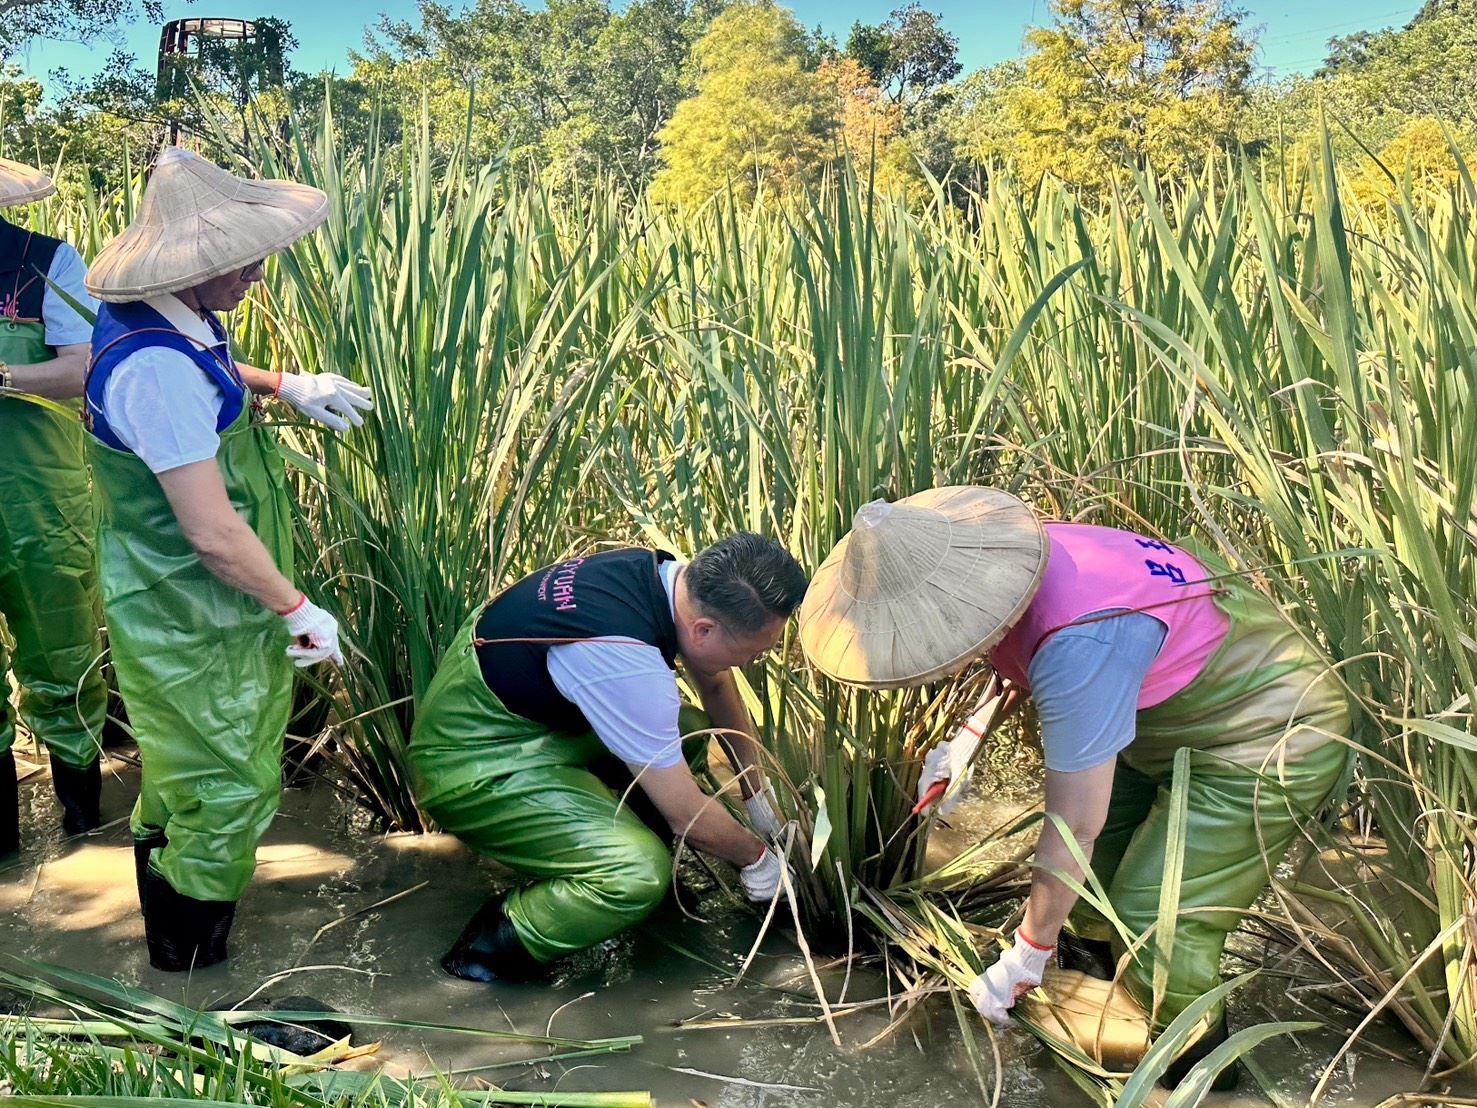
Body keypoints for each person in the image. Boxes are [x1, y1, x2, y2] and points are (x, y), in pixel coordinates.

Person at [799, 486, 1348, 1089]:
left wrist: (1026, 953)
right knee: (1090, 893)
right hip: (1158, 716)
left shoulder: (1081, 644)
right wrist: (967, 741)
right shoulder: (1011, 562)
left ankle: (1202, 1074)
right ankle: (1105, 1009)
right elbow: (1019, 646)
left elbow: (1072, 827)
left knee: (1155, 918)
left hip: (1269, 732)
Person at [82, 146, 374, 971]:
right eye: (239, 262)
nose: (255, 273)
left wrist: (282, 382)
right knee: (230, 789)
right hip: (188, 608)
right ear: (185, 266)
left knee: (184, 778)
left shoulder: (169, 319)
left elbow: (200, 368)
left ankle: (166, 970)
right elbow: (211, 532)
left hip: (191, 601)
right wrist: (297, 607)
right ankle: (190, 985)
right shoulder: (153, 372)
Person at [409, 533, 809, 981]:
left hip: (530, 726)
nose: (752, 662)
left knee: (689, 732)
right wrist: (758, 859)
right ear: (703, 630)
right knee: (637, 873)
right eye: (752, 652)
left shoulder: (664, 579)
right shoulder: (627, 663)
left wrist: (758, 794)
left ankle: (612, 866)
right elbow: (686, 815)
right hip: (469, 764)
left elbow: (715, 684)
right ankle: (488, 952)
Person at [0, 157, 111, 853]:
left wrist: (2, 375)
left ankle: (83, 835)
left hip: (40, 500)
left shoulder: (47, 262)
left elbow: (82, 366)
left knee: (65, 658)